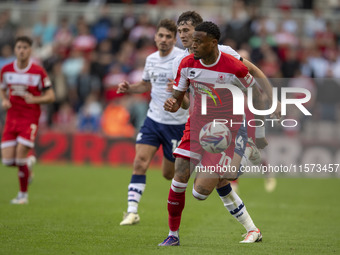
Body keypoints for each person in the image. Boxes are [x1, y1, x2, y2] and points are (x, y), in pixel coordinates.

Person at [159, 21, 264, 246]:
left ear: (213, 43)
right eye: (191, 41)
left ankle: (240, 152)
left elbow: (256, 93)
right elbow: (178, 99)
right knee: (179, 177)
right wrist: (172, 103)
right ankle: (173, 235)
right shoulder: (186, 64)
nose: (193, 46)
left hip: (225, 132)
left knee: (200, 192)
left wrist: (253, 130)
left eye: (198, 41)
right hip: (196, 126)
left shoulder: (234, 67)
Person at [117, 19, 188, 225]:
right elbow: (146, 84)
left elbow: (188, 101)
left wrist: (177, 92)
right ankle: (132, 211)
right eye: (161, 36)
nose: (164, 40)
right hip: (153, 120)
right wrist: (129, 88)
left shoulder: (183, 59)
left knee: (168, 174)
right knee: (140, 162)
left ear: (175, 39)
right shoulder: (151, 59)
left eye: (168, 36)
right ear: (155, 37)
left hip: (176, 125)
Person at [0, 36, 55, 204]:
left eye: (25, 47)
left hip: (29, 118)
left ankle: (23, 195)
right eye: (19, 47)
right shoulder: (6, 70)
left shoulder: (38, 72)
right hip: (11, 119)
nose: (22, 50)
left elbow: (51, 96)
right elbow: (2, 89)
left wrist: (35, 100)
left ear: (30, 50)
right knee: (8, 161)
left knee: (20, 156)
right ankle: (28, 164)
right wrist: (4, 99)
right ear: (15, 50)